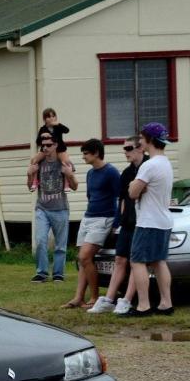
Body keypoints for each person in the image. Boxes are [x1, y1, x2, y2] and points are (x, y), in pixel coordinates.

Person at [90, 136, 147, 314]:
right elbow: (123, 199)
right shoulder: (127, 173)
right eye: (124, 149)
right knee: (120, 259)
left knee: (136, 262)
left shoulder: (149, 167)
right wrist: (120, 222)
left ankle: (127, 300)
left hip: (144, 222)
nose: (125, 152)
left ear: (140, 148)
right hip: (128, 222)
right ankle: (108, 299)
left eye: (129, 148)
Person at [64, 139, 122, 309]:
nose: (83, 157)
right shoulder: (90, 173)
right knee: (82, 258)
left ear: (96, 153)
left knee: (85, 256)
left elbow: (120, 198)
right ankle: (78, 297)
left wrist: (116, 223)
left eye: (85, 153)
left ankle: (95, 297)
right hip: (88, 217)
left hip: (104, 218)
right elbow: (90, 196)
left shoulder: (111, 172)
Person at [125, 122, 175, 316]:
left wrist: (133, 184)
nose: (140, 142)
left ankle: (143, 305)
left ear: (150, 140)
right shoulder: (166, 163)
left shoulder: (149, 165)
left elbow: (132, 193)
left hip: (148, 221)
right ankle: (166, 303)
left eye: (142, 138)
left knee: (137, 261)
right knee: (159, 261)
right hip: (164, 220)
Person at [29, 130, 77, 282]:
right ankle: (41, 272)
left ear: (56, 145)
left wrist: (69, 175)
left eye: (49, 145)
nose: (45, 148)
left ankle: (58, 273)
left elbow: (75, 186)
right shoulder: (38, 163)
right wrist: (29, 174)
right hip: (42, 208)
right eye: (43, 145)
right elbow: (30, 186)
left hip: (60, 209)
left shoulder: (64, 162)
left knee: (60, 245)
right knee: (41, 241)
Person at [28, 107, 74, 188]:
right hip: (46, 150)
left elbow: (67, 130)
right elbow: (38, 142)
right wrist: (42, 136)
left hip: (59, 149)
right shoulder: (43, 129)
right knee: (34, 160)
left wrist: (58, 124)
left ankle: (66, 183)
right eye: (49, 117)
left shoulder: (58, 127)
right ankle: (35, 181)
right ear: (45, 119)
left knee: (66, 162)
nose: (52, 118)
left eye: (53, 116)